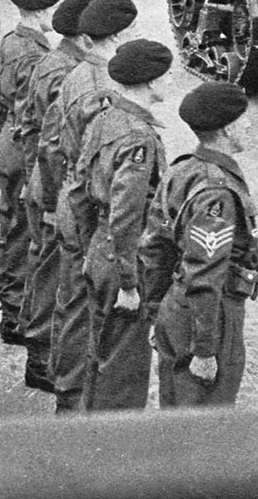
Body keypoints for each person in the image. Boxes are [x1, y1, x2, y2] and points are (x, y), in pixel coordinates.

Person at [141, 81, 258, 408]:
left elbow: (153, 248)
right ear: (227, 129)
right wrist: (205, 350)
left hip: (175, 308)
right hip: (208, 320)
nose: (248, 126)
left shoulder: (183, 169)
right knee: (205, 423)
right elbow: (205, 274)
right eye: (243, 120)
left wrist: (156, 313)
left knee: (174, 410)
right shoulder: (217, 192)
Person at [49, 0, 139, 413]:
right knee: (83, 311)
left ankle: (67, 392)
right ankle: (73, 400)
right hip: (86, 207)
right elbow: (96, 166)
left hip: (71, 196)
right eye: (131, 32)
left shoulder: (80, 73)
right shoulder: (101, 88)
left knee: (71, 304)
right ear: (117, 37)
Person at [73, 39, 172, 411]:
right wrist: (129, 281)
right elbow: (127, 213)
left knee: (102, 353)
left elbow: (80, 186)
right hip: (123, 256)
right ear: (150, 82)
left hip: (102, 246)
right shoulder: (137, 136)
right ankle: (113, 454)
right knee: (124, 366)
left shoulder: (105, 117)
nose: (170, 80)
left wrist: (92, 248)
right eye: (166, 75)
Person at [19, 0, 95, 393]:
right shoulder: (63, 72)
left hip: (48, 182)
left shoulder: (61, 62)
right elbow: (51, 143)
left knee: (45, 267)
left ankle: (41, 349)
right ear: (84, 38)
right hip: (51, 185)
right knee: (50, 274)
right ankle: (40, 359)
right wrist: (52, 204)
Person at [0, 0, 64, 348]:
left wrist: (3, 137)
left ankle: (11, 309)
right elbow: (35, 118)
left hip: (8, 145)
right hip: (24, 152)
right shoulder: (35, 56)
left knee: (10, 229)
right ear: (43, 11)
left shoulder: (8, 43)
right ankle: (16, 314)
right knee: (22, 234)